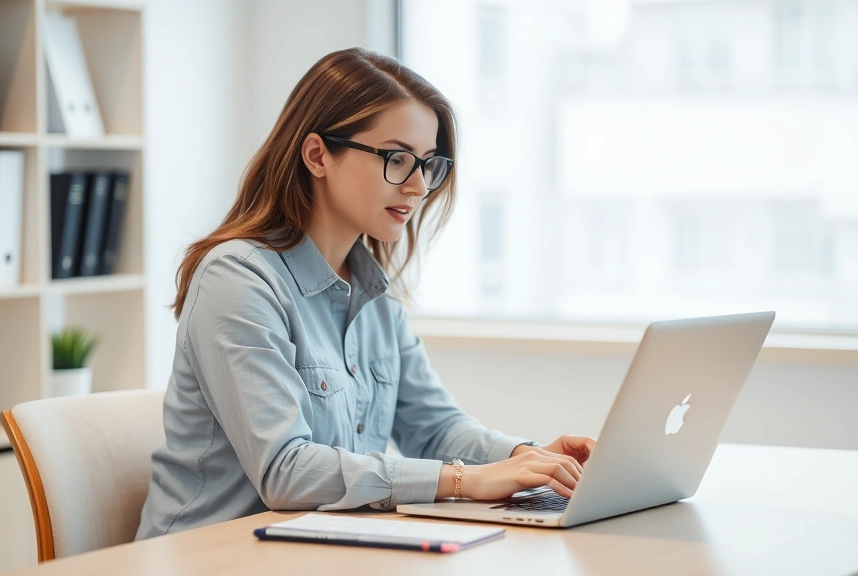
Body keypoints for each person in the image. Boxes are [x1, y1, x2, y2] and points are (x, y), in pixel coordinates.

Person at [136, 48, 595, 540]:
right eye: (397, 159)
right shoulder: (238, 279)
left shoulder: (373, 291)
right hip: (208, 556)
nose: (419, 186)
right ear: (317, 155)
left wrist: (525, 458)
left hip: (315, 549)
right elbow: (285, 471)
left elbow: (435, 427)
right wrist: (465, 480)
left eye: (428, 164)